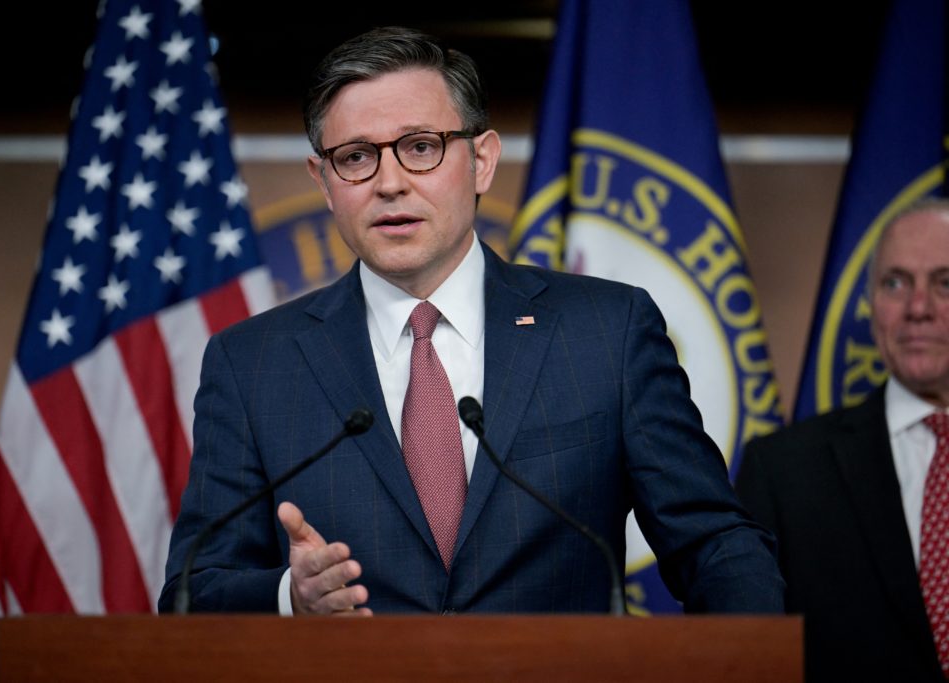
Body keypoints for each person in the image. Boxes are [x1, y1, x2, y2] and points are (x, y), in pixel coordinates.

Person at [159, 26, 784, 616]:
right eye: (355, 157)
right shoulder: (252, 364)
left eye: (420, 147)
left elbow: (715, 544)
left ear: (481, 160)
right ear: (324, 181)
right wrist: (290, 598)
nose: (389, 183)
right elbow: (192, 590)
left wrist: (750, 657)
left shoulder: (606, 331)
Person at [736, 198, 949, 681]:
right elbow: (742, 655)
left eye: (945, 283)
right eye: (895, 283)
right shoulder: (785, 471)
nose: (919, 308)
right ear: (871, 303)